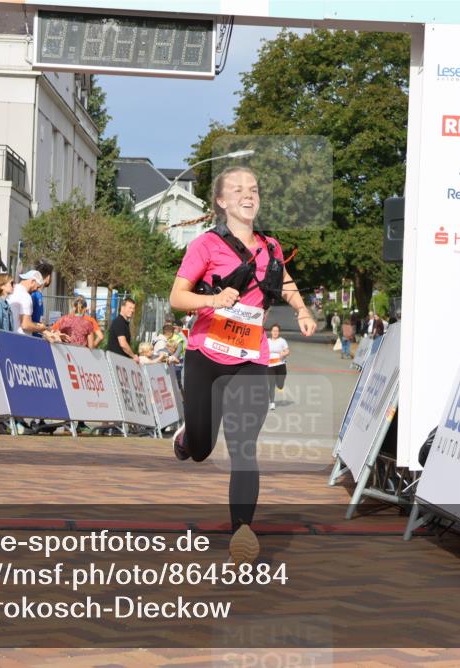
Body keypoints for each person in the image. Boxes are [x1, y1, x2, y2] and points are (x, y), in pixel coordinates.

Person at [169, 166, 316, 563]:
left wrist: (301, 309)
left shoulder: (271, 246)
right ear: (221, 201)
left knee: (243, 444)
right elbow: (177, 298)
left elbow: (283, 279)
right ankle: (188, 439)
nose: (247, 195)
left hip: (251, 358)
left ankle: (242, 532)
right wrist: (211, 301)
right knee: (202, 448)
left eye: (253, 189)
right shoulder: (205, 245)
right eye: (237, 190)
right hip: (206, 353)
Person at [8, 270, 48, 335]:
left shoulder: (12, 290)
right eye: (37, 287)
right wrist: (41, 328)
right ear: (33, 281)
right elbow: (25, 325)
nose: (36, 290)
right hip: (21, 338)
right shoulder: (26, 296)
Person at [266, 323, 289, 411]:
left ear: (279, 332)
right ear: (271, 332)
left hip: (281, 364)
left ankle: (279, 384)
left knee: (280, 385)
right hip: (270, 365)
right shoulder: (267, 341)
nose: (275, 332)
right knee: (271, 384)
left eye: (277, 331)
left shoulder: (282, 341)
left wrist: (284, 353)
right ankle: (272, 402)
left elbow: (287, 351)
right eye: (274, 331)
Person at [106, 297, 138, 362]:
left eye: (133, 308)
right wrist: (133, 356)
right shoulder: (119, 322)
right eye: (130, 308)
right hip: (115, 362)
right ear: (122, 307)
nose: (132, 310)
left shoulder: (124, 323)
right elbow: (123, 344)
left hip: (120, 362)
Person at [30, 260, 53, 338]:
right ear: (48, 277)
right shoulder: (34, 295)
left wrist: (47, 330)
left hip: (37, 336)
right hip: (32, 337)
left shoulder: (38, 295)